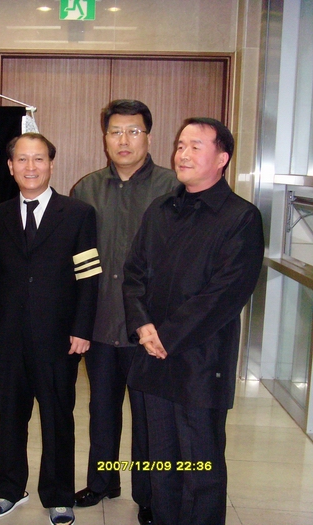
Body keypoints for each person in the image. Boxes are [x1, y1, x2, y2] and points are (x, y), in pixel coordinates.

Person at [123, 118, 264, 525]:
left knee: (200, 464)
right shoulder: (161, 209)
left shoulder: (240, 217)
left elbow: (224, 294)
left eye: (195, 146)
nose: (182, 154)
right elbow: (134, 273)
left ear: (222, 158)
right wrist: (143, 326)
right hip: (152, 357)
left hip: (201, 362)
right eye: (180, 145)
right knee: (162, 462)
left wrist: (165, 336)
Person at [0, 133, 100, 525]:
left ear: (51, 164)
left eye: (39, 159)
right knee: (11, 416)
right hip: (9, 336)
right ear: (10, 166)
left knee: (58, 417)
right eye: (22, 159)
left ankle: (59, 495)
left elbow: (89, 277)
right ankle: (9, 488)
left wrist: (82, 328)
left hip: (58, 337)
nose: (30, 167)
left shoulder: (78, 213)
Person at [71, 99, 178, 525]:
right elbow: (76, 260)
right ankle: (103, 481)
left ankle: (148, 494)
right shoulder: (86, 189)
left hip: (149, 326)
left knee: (150, 416)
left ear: (148, 136)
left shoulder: (172, 187)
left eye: (133, 131)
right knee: (102, 409)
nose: (124, 140)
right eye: (115, 131)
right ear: (105, 137)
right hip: (99, 323)